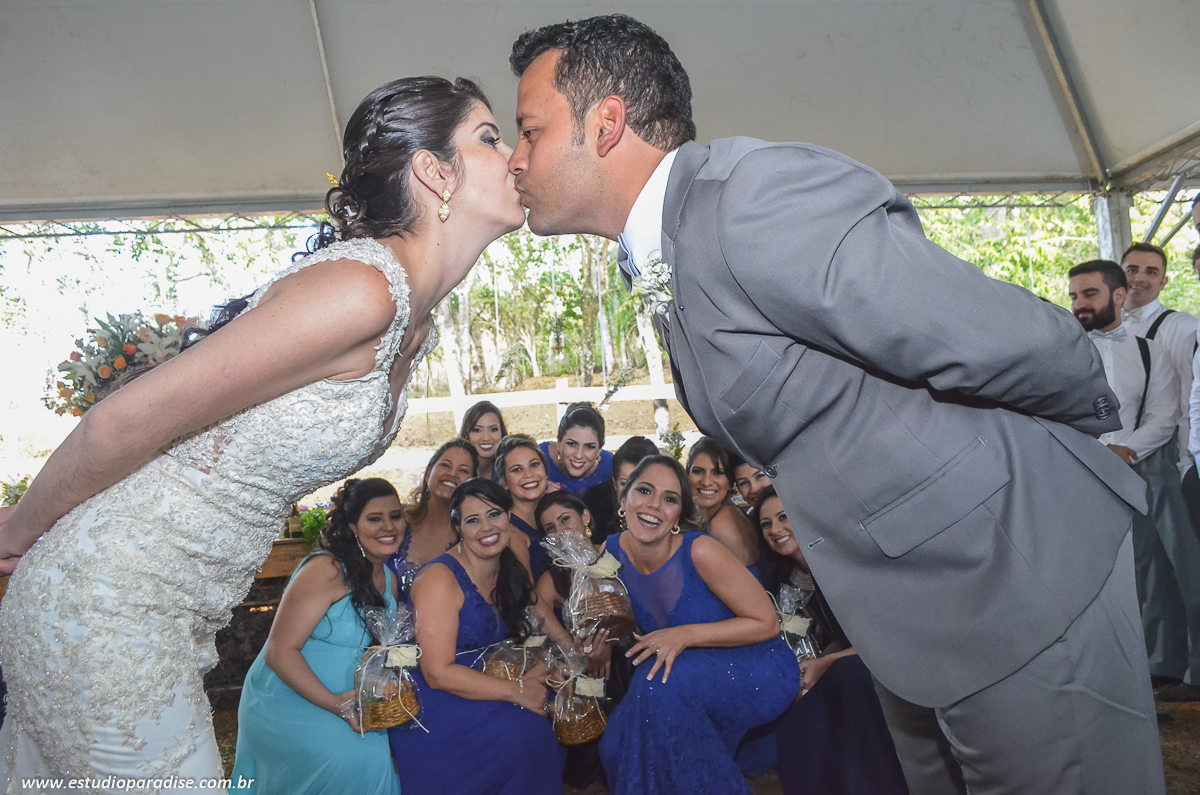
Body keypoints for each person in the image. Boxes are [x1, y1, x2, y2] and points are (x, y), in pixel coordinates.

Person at [508, 16, 1160, 793]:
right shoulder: (664, 255)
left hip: (1017, 571)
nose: (516, 159)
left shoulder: (745, 200)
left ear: (606, 124)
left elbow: (991, 333)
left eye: (529, 131)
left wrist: (1079, 444)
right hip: (915, 617)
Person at [0, 74, 526, 784]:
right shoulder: (362, 289)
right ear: (436, 171)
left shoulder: (415, 321)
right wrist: (17, 530)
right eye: (490, 138)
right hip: (107, 602)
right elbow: (117, 423)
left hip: (173, 613)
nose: (516, 154)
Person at [597, 455, 798, 794]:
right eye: (644, 490)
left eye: (670, 498)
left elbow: (767, 624)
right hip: (678, 673)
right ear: (623, 499)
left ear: (678, 514)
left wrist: (684, 635)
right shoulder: (610, 553)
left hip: (756, 667)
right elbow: (615, 621)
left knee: (662, 686)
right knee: (615, 744)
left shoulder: (700, 550)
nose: (654, 506)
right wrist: (595, 639)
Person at [389, 479, 562, 795]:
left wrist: (567, 652)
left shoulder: (506, 565)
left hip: (482, 679)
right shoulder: (439, 579)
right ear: (458, 529)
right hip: (438, 699)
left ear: (509, 517)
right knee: (525, 733)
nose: (486, 527)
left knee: (547, 712)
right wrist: (518, 691)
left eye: (494, 514)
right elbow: (437, 672)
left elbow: (532, 612)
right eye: (472, 520)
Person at [232, 478, 404, 794]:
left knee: (381, 760)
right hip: (290, 698)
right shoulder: (327, 569)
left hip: (352, 699)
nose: (388, 527)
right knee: (354, 761)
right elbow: (279, 651)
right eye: (374, 518)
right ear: (353, 525)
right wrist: (335, 703)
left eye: (396, 515)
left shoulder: (389, 578)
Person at [755, 487, 909, 795]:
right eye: (766, 524)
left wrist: (827, 662)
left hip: (889, 657)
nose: (776, 529)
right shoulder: (790, 579)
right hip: (849, 657)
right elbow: (839, 636)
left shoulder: (842, 562)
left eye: (784, 517)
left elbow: (882, 635)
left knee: (845, 678)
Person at [1115, 245, 1200, 701]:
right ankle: (1163, 661)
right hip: (1136, 460)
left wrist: (1190, 463)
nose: (1141, 278)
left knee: (1190, 567)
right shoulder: (1118, 330)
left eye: (1152, 271)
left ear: (1165, 280)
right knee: (1150, 569)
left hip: (1176, 457)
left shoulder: (1182, 327)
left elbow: (1193, 399)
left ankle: (1198, 670)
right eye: (1133, 269)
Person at [387, 438, 479, 596]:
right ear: (428, 473)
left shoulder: (473, 537)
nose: (452, 474)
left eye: (463, 470)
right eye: (445, 465)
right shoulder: (395, 519)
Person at [686, 437, 761, 570]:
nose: (707, 482)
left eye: (718, 473)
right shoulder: (712, 516)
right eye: (698, 471)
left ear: (730, 482)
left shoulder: (724, 522)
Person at [494, 433, 554, 581]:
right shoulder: (510, 531)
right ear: (504, 482)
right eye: (517, 469)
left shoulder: (559, 508)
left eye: (534, 465)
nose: (528, 475)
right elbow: (526, 595)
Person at [582, 435, 658, 543]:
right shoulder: (595, 504)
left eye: (642, 487)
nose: (632, 495)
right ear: (614, 483)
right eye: (624, 484)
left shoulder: (668, 511)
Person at [540, 402, 614, 496]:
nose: (578, 455)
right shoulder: (538, 459)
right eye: (572, 444)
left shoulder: (612, 468)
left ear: (599, 450)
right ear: (559, 444)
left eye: (589, 447)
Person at [461, 399, 508, 480]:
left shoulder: (511, 466)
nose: (486, 438)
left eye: (493, 429)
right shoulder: (456, 470)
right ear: (466, 434)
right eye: (477, 430)